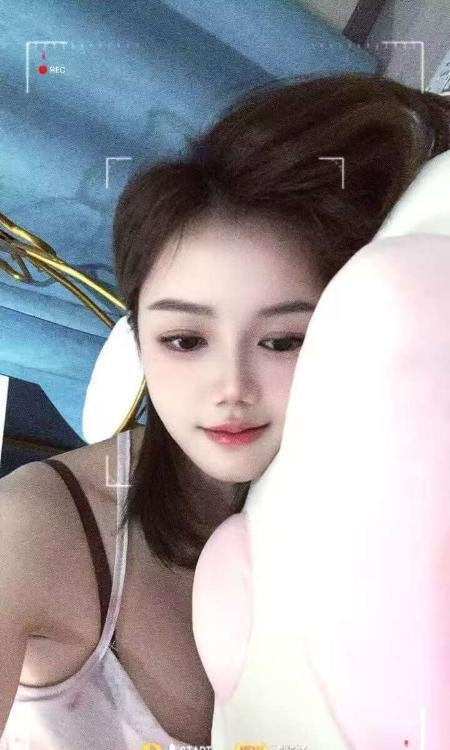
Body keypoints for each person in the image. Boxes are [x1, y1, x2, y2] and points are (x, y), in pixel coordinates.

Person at [1, 71, 449, 749]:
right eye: (185, 340)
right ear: (137, 339)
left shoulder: (400, 488)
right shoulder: (35, 531)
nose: (231, 388)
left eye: (283, 340)